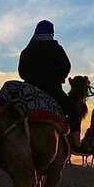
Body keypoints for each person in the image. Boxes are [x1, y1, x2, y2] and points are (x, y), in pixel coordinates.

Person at [18, 20, 83, 150]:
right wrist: (58, 78)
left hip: (31, 91)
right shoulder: (57, 49)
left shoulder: (27, 50)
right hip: (53, 91)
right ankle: (76, 144)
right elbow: (66, 66)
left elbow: (22, 71)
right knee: (73, 112)